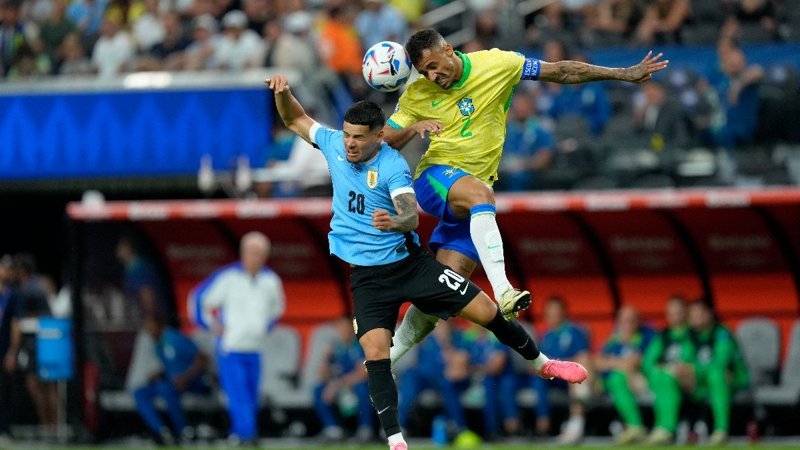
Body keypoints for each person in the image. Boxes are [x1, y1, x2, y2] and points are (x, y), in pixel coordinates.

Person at [266, 74, 587, 450]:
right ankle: (397, 441)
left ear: (378, 136)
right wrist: (284, 94)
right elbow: (296, 120)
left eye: (358, 137)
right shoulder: (334, 143)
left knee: (486, 311)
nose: (350, 143)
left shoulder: (392, 166)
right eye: (348, 135)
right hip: (367, 279)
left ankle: (543, 363)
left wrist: (394, 220)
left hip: (410, 266)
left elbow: (410, 215)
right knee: (375, 354)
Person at [382, 28, 668, 363]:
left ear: (448, 49)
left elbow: (560, 70)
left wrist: (621, 74)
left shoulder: (497, 64)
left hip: (472, 201)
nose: (433, 75)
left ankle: (383, 360)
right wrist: (413, 128)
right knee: (481, 194)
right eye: (425, 72)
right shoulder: (418, 92)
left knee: (443, 294)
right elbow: (385, 137)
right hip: (434, 180)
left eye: (434, 65)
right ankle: (503, 289)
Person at [191, 231, 285, 445]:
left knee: (251, 395)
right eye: (251, 252)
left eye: (259, 253)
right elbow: (199, 300)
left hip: (255, 347)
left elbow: (276, 309)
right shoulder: (227, 277)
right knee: (238, 394)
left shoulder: (271, 280)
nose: (254, 257)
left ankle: (240, 434)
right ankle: (249, 436)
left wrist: (264, 328)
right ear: (243, 253)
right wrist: (211, 325)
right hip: (230, 347)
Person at [133, 314, 208, 445]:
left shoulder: (174, 338)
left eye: (151, 327)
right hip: (172, 382)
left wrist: (186, 377)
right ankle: (161, 431)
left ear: (160, 325)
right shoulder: (157, 344)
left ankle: (183, 430)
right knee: (139, 392)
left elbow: (202, 359)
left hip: (193, 382)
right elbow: (171, 366)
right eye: (146, 328)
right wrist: (158, 375)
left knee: (166, 388)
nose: (149, 331)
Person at [686, 300, 749, 445]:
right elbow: (686, 360)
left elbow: (721, 362)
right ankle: (669, 429)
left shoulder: (722, 333)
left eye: (699, 313)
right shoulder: (690, 336)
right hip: (703, 380)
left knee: (717, 375)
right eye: (692, 314)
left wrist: (694, 370)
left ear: (709, 314)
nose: (696, 318)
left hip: (734, 378)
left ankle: (721, 429)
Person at [531, 297, 592, 444]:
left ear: (564, 313)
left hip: (568, 378)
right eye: (549, 313)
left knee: (574, 375)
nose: (552, 317)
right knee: (537, 380)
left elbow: (583, 358)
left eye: (556, 313)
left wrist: (557, 365)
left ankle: (575, 425)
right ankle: (543, 424)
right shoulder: (546, 335)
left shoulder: (574, 332)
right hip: (552, 378)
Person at [595, 305, 654, 445]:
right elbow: (597, 362)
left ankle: (635, 427)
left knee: (618, 378)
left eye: (631, 320)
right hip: (609, 381)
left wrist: (611, 362)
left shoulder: (646, 335)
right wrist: (618, 363)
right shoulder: (614, 338)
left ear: (638, 321)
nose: (626, 325)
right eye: (623, 321)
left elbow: (633, 363)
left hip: (640, 380)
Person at [642, 296, 695, 445]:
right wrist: (659, 369)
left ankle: (667, 428)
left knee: (666, 376)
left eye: (678, 312)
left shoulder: (693, 334)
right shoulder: (662, 335)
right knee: (661, 375)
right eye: (671, 313)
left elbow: (694, 358)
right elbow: (648, 362)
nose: (674, 316)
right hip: (662, 377)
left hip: (689, 378)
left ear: (686, 313)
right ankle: (656, 428)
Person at [314, 316, 373, 443]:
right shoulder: (335, 348)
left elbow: (363, 374)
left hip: (355, 384)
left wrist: (336, 385)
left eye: (346, 329)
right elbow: (321, 375)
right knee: (318, 389)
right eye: (340, 329)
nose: (343, 332)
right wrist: (326, 358)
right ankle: (333, 430)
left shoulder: (359, 346)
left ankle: (365, 429)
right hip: (340, 386)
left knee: (362, 389)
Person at [0, 255, 21, 447]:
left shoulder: (12, 294)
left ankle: (4, 429)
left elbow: (16, 324)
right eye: (4, 268)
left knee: (4, 390)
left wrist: (13, 352)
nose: (7, 272)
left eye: (9, 268)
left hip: (4, 348)